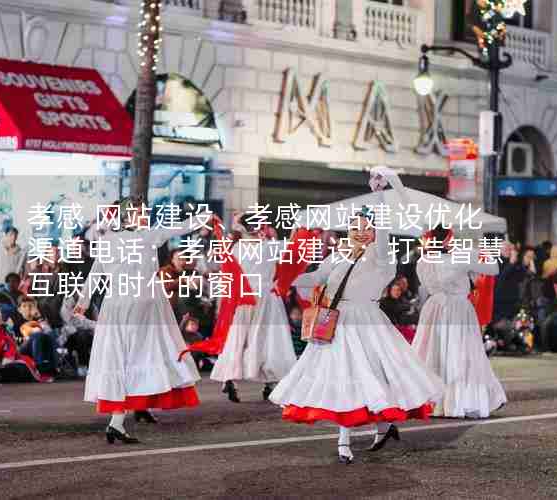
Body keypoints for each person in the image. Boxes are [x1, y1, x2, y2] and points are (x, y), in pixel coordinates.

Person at [270, 166, 444, 465]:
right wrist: (284, 279)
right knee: (344, 377)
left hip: (368, 321)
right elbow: (315, 277)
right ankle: (347, 438)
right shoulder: (337, 255)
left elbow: (384, 228)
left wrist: (379, 197)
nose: (360, 231)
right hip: (336, 322)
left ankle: (377, 428)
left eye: (366, 227)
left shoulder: (382, 258)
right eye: (354, 227)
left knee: (374, 377)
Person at [74, 196, 204, 444]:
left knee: (119, 362)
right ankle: (126, 416)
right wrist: (206, 218)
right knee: (144, 358)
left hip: (115, 306)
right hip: (143, 306)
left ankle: (117, 422)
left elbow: (95, 273)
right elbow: (183, 227)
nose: (144, 215)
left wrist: (83, 302)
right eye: (138, 212)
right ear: (126, 218)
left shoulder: (108, 240)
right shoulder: (146, 236)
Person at [412, 224, 506, 419]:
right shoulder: (461, 255)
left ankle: (431, 402)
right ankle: (459, 401)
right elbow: (493, 269)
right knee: (463, 354)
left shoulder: (423, 261)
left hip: (433, 307)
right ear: (450, 238)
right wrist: (484, 249)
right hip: (458, 309)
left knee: (431, 353)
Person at [208, 214, 298, 403]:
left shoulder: (237, 249)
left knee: (239, 339)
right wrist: (297, 227)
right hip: (266, 298)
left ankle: (229, 377)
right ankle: (270, 383)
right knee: (269, 341)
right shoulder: (269, 247)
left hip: (244, 298)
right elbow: (293, 245)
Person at [0, 308, 51, 383]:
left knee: (19, 367)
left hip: (1, 364)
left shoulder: (5, 333)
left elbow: (9, 355)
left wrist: (3, 363)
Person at [379, 276, 419, 344]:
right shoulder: (385, 303)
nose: (397, 292)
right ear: (390, 290)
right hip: (391, 330)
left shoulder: (400, 300)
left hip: (400, 328)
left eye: (399, 290)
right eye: (395, 290)